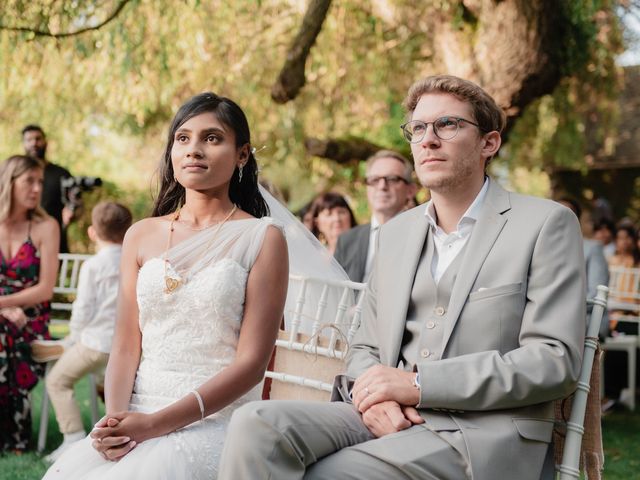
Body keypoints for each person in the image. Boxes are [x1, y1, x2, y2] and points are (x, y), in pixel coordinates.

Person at [218, 75, 586, 480]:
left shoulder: (544, 223)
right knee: (257, 424)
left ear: (489, 143)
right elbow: (365, 345)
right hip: (389, 417)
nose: (428, 140)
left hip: (481, 436)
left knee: (329, 474)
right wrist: (375, 402)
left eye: (448, 125)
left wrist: (419, 384)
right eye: (418, 128)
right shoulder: (395, 233)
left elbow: (554, 360)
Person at [43, 92, 288, 478]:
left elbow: (252, 365)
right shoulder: (141, 235)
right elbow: (125, 345)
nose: (194, 150)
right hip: (136, 410)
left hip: (214, 419)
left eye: (212, 138)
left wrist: (156, 424)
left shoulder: (262, 238)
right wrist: (115, 423)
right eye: (183, 138)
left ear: (241, 155)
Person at [40, 201, 132, 462]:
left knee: (57, 381)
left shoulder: (93, 266)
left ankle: (71, 437)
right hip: (122, 349)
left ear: (92, 233)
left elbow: (83, 308)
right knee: (114, 386)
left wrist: (72, 337)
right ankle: (118, 434)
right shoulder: (132, 260)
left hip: (93, 345)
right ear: (128, 231)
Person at [0, 155, 59, 452]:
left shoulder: (46, 227)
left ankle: (13, 436)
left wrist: (4, 303)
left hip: (32, 320)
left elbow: (45, 289)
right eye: (29, 181)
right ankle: (12, 435)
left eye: (40, 182)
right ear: (10, 183)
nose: (37, 189)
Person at [334, 150, 416, 282]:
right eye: (374, 180)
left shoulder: (421, 236)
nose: (382, 186)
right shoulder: (347, 241)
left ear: (410, 190)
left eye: (392, 179)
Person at [558, 197, 610, 337]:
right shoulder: (542, 248)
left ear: (576, 219)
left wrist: (560, 311)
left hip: (586, 319)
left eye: (566, 213)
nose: (559, 217)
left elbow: (596, 294)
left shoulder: (592, 249)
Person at [22, 125, 73, 252]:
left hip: (54, 241)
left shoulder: (61, 173)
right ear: (23, 144)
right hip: (22, 241)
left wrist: (72, 211)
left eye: (38, 138)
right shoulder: (16, 174)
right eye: (29, 140)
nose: (34, 143)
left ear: (45, 141)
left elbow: (75, 205)